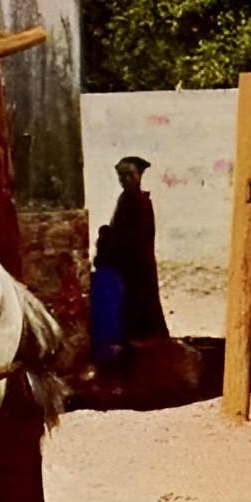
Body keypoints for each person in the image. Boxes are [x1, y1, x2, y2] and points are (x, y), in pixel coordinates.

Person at [91, 156, 169, 369]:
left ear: (138, 177)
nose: (124, 180)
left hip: (135, 265)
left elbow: (130, 238)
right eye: (121, 176)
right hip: (131, 265)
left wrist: (108, 240)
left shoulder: (137, 202)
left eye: (129, 175)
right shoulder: (129, 200)